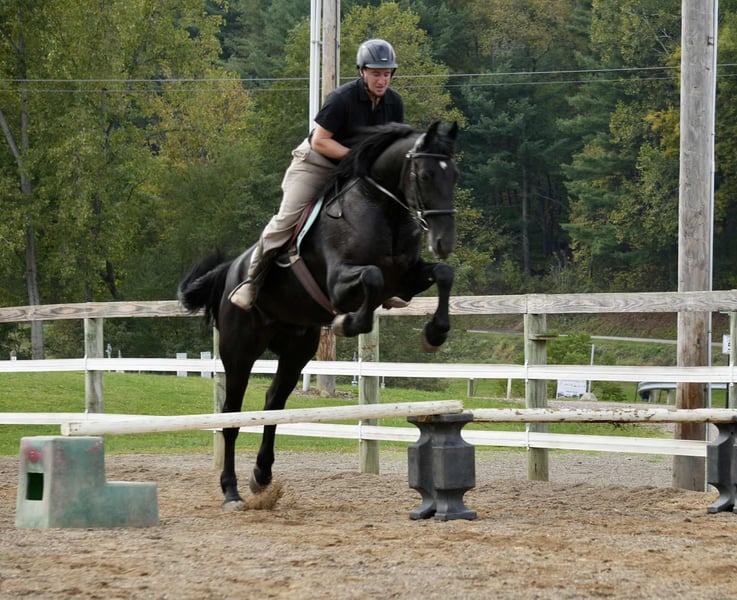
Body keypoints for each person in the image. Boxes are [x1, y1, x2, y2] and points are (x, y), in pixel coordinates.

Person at [229, 38, 407, 311]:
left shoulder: (394, 103)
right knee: (287, 218)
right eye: (375, 73)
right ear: (362, 72)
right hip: (316, 163)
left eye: (386, 74)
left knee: (386, 215)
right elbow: (320, 141)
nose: (382, 80)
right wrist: (358, 157)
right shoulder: (341, 99)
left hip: (357, 169)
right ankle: (252, 280)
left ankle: (385, 286)